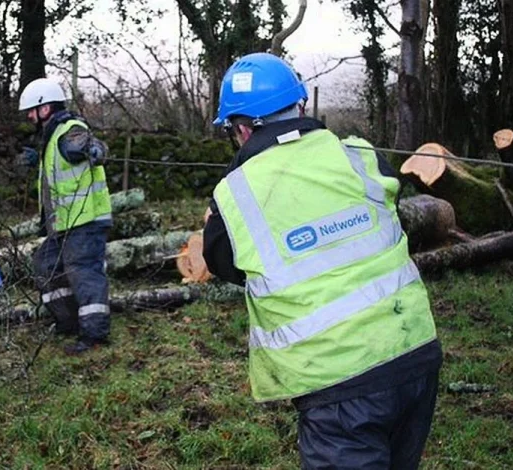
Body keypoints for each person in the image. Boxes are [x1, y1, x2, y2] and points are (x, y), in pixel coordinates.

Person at [202, 52, 442, 469]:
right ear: (299, 105)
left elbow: (223, 262)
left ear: (240, 130)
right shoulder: (360, 156)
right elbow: (386, 209)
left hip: (339, 381)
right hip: (414, 352)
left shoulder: (236, 193)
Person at [18, 77, 113, 356]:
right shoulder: (51, 138)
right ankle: (69, 321)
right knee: (46, 264)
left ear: (45, 109)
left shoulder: (69, 129)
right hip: (65, 222)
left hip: (85, 220)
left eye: (31, 111)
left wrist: (89, 149)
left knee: (84, 271)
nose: (28, 117)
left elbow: (82, 144)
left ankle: (94, 334)